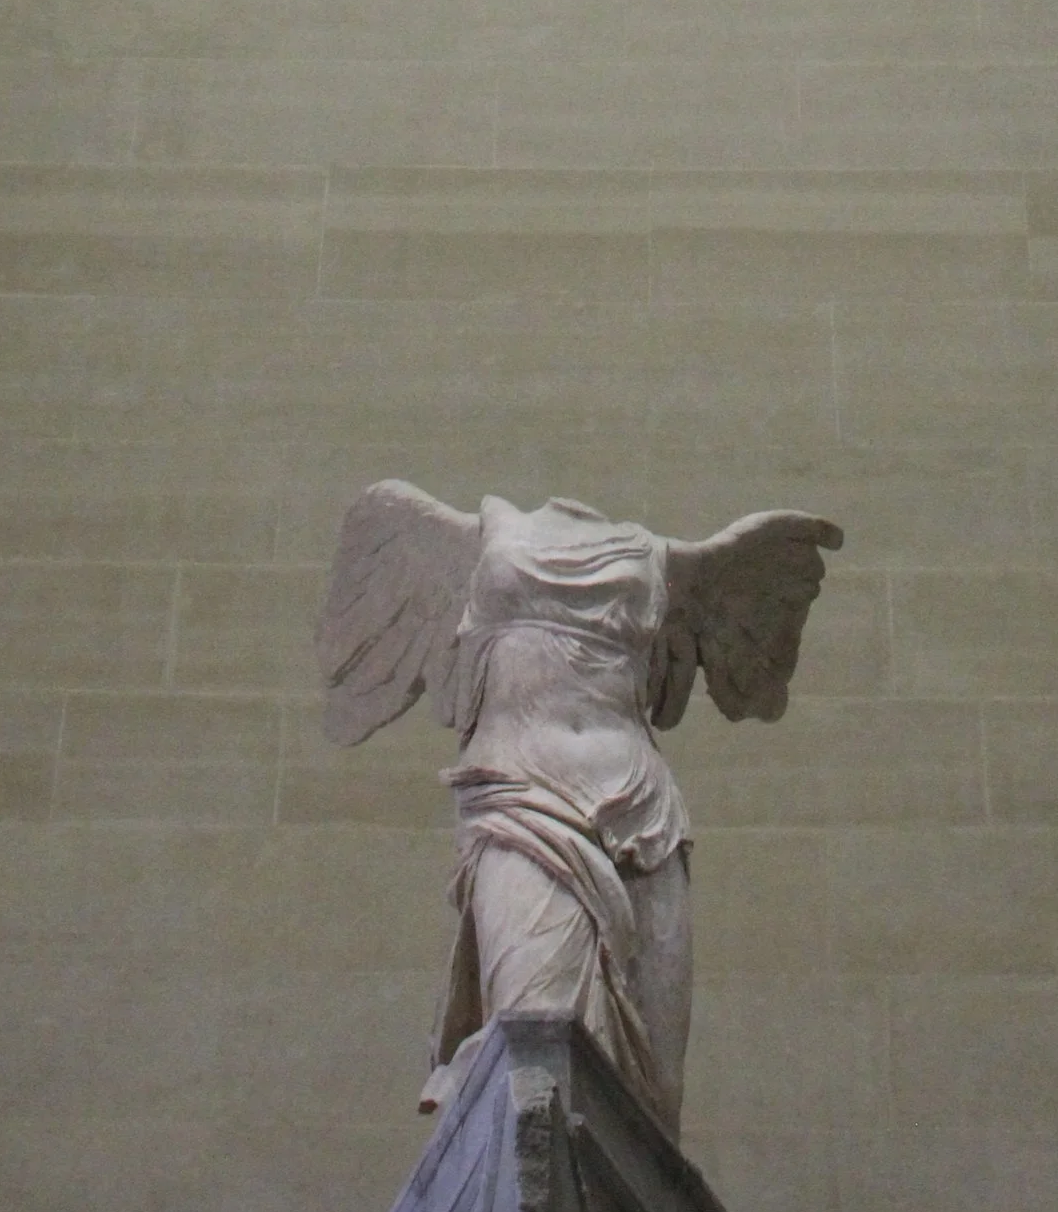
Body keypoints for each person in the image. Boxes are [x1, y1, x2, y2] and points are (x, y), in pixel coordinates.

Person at [318, 482, 842, 1135]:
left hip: (641, 810)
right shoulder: (478, 536)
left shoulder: (667, 563)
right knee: (534, 1036)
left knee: (655, 1093)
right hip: (520, 795)